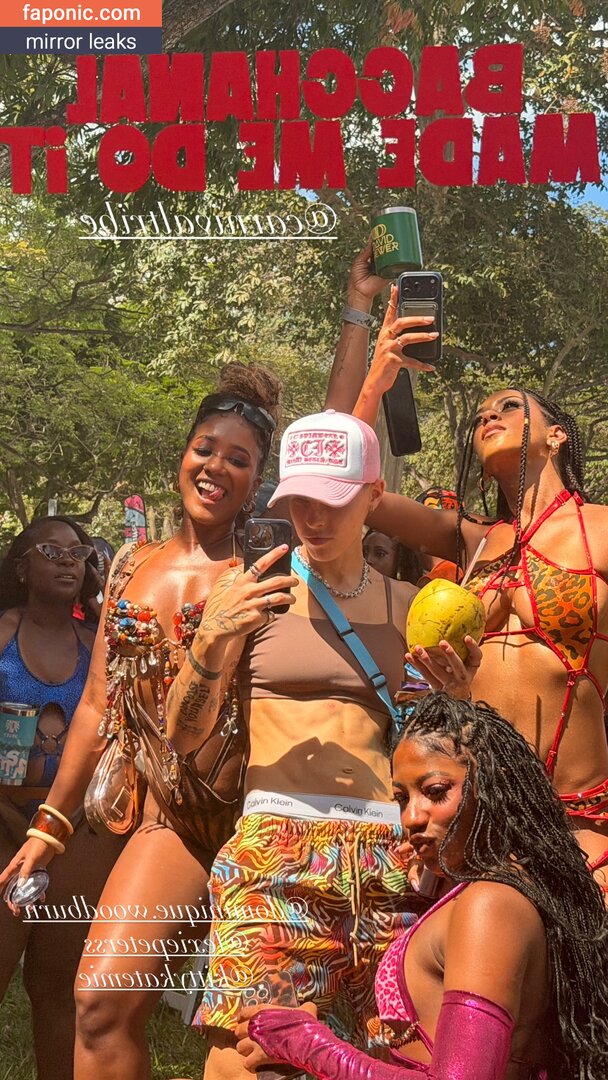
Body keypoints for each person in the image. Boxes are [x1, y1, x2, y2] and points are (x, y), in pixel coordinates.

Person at [166, 410, 482, 1080]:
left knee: (387, 1055)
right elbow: (182, 735)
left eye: (333, 501)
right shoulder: (253, 594)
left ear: (373, 497)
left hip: (393, 854)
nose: (313, 518)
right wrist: (211, 640)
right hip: (276, 845)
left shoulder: (412, 605)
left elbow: (442, 752)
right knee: (246, 1055)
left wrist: (458, 700)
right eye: (300, 500)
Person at [0, 363, 282, 1080]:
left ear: (260, 479)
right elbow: (97, 705)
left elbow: (340, 441)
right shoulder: (130, 563)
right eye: (204, 448)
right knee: (94, 1004)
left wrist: (360, 327)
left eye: (239, 459)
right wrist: (49, 827)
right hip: (147, 815)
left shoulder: (267, 566)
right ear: (182, 454)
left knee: (247, 1039)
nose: (215, 467)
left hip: (235, 815)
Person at [341, 285, 608, 889]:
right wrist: (378, 378)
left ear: (557, 435)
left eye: (509, 407)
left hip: (583, 824)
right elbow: (351, 486)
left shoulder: (600, 529)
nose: (488, 417)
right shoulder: (470, 540)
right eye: (481, 415)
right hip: (483, 826)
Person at [236, 693, 608, 1080]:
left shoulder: (490, 903)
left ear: (493, 784)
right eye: (401, 798)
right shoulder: (499, 892)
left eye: (435, 790)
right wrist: (304, 1043)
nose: (411, 817)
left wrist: (309, 1045)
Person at [0, 515, 124, 1080]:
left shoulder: (97, 646)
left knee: (58, 988)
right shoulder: (3, 632)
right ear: (22, 566)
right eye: (51, 550)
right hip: (3, 828)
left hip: (71, 834)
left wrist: (60, 825)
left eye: (79, 552)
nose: (69, 560)